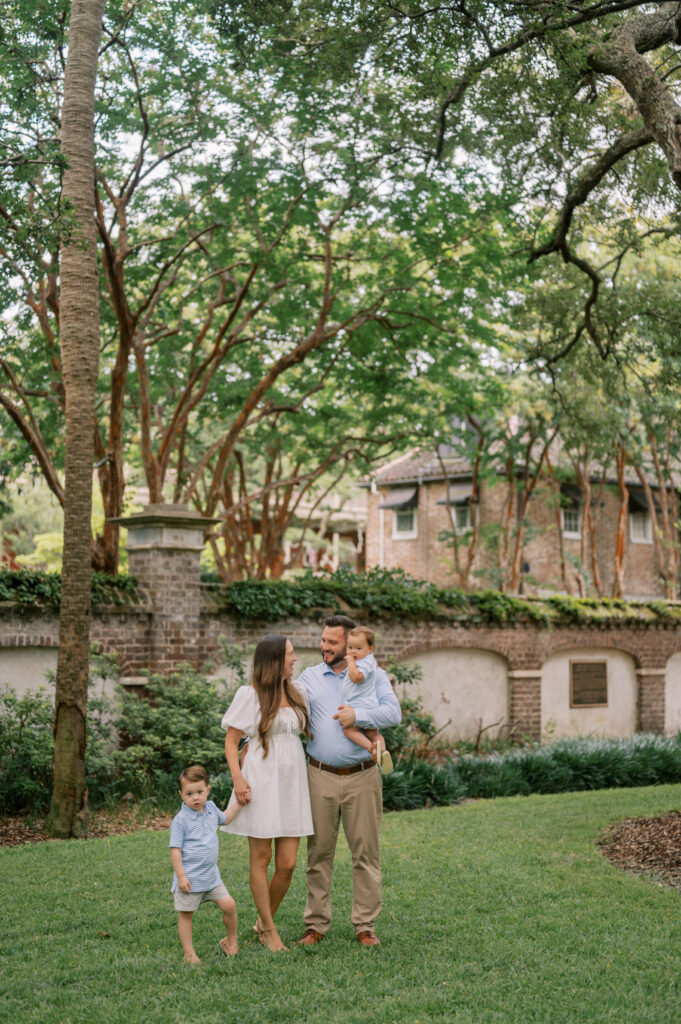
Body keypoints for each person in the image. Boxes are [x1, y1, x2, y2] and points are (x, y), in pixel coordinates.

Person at [295, 614, 402, 948]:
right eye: (323, 640)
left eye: (332, 642)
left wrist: (360, 716)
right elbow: (285, 705)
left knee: (365, 854)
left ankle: (365, 925)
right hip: (319, 776)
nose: (324, 646)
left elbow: (393, 713)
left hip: (362, 777)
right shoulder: (309, 677)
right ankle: (315, 925)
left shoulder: (374, 675)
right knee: (318, 854)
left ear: (351, 646)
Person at [221, 634, 313, 952]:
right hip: (259, 779)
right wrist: (238, 779)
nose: (295, 658)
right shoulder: (250, 695)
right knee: (262, 858)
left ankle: (263, 920)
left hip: (292, 784)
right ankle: (269, 931)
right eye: (290, 654)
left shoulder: (298, 692)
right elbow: (232, 741)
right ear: (274, 659)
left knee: (287, 863)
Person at [169, 764, 240, 963]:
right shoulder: (181, 821)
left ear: (207, 790)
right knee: (186, 915)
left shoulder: (210, 808)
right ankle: (189, 953)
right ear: (181, 794)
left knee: (229, 906)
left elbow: (225, 819)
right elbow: (175, 850)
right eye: (189, 794)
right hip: (190, 880)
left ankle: (231, 941)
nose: (196, 798)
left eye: (200, 792)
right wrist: (181, 876)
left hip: (211, 878)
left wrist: (240, 803)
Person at [341, 625, 393, 775]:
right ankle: (382, 751)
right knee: (374, 734)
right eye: (350, 647)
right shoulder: (366, 661)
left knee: (349, 731)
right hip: (368, 707)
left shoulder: (365, 663)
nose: (352, 651)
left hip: (359, 706)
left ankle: (371, 748)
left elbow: (356, 678)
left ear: (371, 648)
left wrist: (350, 662)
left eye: (358, 648)